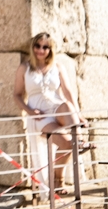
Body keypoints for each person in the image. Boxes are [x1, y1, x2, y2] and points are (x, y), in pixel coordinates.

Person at [12, 32, 88, 191]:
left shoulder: (58, 66)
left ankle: (80, 139)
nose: (40, 50)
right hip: (40, 115)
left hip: (57, 107)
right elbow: (17, 95)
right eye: (37, 46)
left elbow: (68, 91)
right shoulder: (24, 68)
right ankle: (57, 179)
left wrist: (79, 114)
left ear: (50, 49)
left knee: (67, 105)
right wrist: (30, 111)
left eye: (45, 47)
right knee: (67, 144)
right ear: (33, 47)